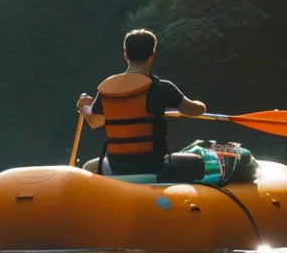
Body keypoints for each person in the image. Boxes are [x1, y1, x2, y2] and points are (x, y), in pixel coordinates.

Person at [75, 29, 209, 181]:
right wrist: (201, 104)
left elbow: (95, 122)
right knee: (196, 161)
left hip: (115, 167)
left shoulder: (107, 89)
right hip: (154, 166)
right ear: (151, 57)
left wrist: (86, 109)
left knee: (88, 167)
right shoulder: (161, 88)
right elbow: (194, 111)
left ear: (125, 55)